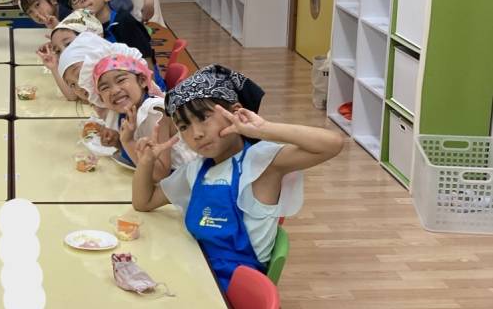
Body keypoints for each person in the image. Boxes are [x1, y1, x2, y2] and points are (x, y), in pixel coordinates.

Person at [131, 65, 344, 291]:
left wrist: (264, 129)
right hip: (200, 273)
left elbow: (332, 144)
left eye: (204, 117)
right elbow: (144, 202)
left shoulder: (262, 164)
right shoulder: (196, 170)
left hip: (234, 291)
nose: (196, 133)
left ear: (235, 113)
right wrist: (146, 162)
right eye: (184, 126)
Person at [58, 0, 160, 81]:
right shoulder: (84, 31)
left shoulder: (124, 22)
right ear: (74, 11)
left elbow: (147, 66)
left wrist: (148, 89)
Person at [83, 48, 174, 168]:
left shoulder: (155, 113)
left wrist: (127, 141)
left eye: (121, 80)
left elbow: (161, 173)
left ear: (142, 81)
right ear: (100, 98)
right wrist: (118, 142)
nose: (114, 91)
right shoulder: (126, 112)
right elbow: (142, 153)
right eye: (105, 88)